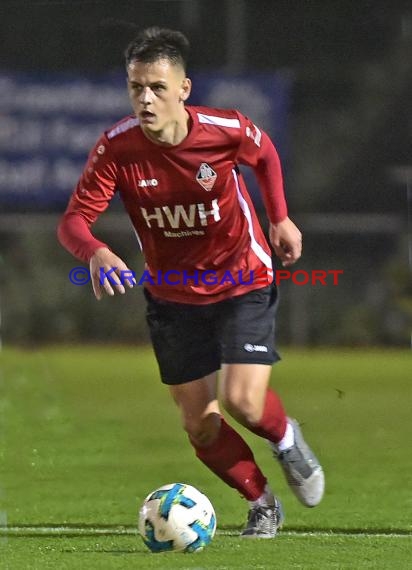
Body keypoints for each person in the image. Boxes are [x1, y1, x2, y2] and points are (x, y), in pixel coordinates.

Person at [58, 26, 324, 538]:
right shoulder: (117, 148)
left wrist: (280, 218)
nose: (145, 98)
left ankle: (286, 438)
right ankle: (262, 502)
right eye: (136, 87)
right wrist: (94, 250)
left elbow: (264, 152)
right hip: (172, 294)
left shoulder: (224, 129)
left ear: (184, 88)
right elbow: (73, 221)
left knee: (245, 403)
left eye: (157, 87)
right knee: (199, 424)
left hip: (241, 276)